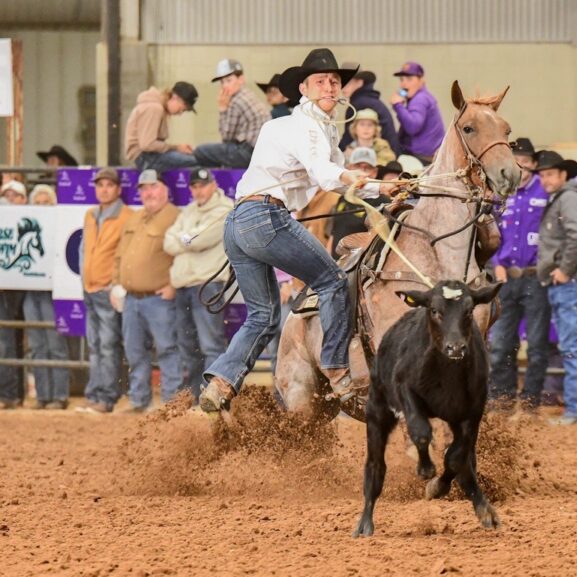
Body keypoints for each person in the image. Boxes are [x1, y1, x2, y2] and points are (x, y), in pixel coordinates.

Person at [199, 47, 378, 415]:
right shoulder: (305, 126)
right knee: (332, 280)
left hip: (240, 222)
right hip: (266, 217)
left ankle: (221, 383)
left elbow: (339, 180)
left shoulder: (301, 129)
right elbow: (326, 174)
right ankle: (338, 370)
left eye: (334, 81)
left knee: (262, 317)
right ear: (304, 89)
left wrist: (382, 188)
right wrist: (379, 186)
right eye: (321, 82)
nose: (329, 87)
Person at [488, 138, 551, 414]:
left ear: (534, 165)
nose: (522, 168)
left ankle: (529, 403)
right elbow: (491, 232)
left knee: (537, 344)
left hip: (536, 277)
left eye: (526, 163)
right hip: (505, 278)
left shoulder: (547, 193)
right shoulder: (502, 194)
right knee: (501, 343)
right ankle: (502, 400)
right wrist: (495, 263)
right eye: (517, 162)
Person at [112, 170, 182, 412]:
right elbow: (120, 255)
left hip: (159, 299)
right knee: (134, 352)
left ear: (165, 189)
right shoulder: (134, 218)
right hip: (131, 299)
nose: (148, 193)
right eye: (143, 188)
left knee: (167, 349)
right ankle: (139, 400)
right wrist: (116, 284)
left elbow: (184, 254)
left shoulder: (176, 217)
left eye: (153, 186)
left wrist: (174, 285)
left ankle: (172, 405)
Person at [535, 150, 577, 426]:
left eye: (549, 174)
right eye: (542, 175)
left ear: (563, 175)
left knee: (570, 345)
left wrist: (565, 270)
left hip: (568, 282)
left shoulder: (568, 199)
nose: (545, 179)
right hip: (566, 282)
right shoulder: (564, 198)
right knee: (571, 344)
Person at [163, 167, 232, 401]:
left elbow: (198, 240)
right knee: (187, 345)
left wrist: (185, 237)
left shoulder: (225, 209)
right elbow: (168, 241)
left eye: (202, 185)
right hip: (185, 284)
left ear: (213, 185)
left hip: (207, 285)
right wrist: (188, 238)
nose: (198, 190)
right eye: (194, 186)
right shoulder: (189, 210)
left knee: (210, 344)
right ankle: (193, 397)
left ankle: (212, 397)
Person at [79, 167, 132, 414]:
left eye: (109, 185)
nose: (104, 189)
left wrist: (115, 284)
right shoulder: (90, 214)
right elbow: (83, 249)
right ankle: (94, 393)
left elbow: (125, 254)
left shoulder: (127, 216)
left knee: (108, 345)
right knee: (95, 344)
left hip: (107, 289)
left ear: (118, 189)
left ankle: (107, 396)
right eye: (100, 185)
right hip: (90, 288)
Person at [23, 185, 71, 408]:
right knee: (37, 346)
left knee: (54, 345)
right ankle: (43, 395)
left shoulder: (59, 228)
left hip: (54, 291)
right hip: (31, 290)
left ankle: (59, 395)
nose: (42, 207)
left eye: (46, 202)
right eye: (38, 203)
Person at [194, 59, 271, 169]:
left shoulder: (236, 101)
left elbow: (227, 137)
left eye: (228, 80)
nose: (224, 85)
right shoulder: (249, 94)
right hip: (261, 152)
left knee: (200, 152)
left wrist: (222, 108)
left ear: (241, 79)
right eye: (222, 82)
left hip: (248, 153)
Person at [327, 147, 391, 256]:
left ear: (375, 172)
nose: (363, 171)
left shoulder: (383, 202)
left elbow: (378, 240)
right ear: (349, 168)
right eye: (358, 166)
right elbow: (334, 232)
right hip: (336, 263)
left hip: (358, 265)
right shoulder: (343, 197)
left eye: (368, 167)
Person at [124, 81, 199, 173]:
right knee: (197, 161)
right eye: (182, 109)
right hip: (145, 157)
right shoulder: (154, 108)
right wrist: (176, 147)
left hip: (149, 156)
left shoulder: (155, 107)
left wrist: (177, 148)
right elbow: (147, 144)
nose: (180, 113)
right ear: (175, 97)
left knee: (193, 158)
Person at [0, 180, 27, 409]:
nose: (9, 198)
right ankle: (9, 393)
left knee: (8, 340)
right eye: (5, 194)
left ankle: (10, 393)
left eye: (14, 194)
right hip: (10, 283)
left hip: (17, 285)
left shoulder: (25, 219)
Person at [390, 62, 445, 164]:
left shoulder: (420, 99)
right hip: (428, 156)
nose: (404, 84)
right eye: (402, 80)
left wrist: (398, 105)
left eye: (409, 79)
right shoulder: (421, 96)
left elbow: (413, 127)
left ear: (421, 81)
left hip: (422, 158)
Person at [340, 70, 400, 154]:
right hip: (388, 152)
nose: (343, 87)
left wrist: (337, 153)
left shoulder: (359, 104)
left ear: (360, 82)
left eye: (347, 82)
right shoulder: (370, 100)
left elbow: (348, 137)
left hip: (381, 156)